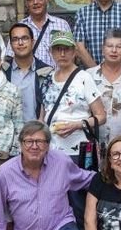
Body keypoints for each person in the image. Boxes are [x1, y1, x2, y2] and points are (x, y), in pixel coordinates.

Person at [40, 30, 107, 161]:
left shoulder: (84, 78)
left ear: (74, 52)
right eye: (58, 49)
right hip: (52, 149)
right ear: (51, 53)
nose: (62, 54)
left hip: (79, 148)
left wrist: (77, 125)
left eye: (67, 49)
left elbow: (101, 117)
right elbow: (42, 116)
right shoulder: (47, 79)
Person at [89, 28, 121, 143]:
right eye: (109, 46)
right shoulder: (89, 76)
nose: (114, 50)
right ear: (102, 49)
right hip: (95, 145)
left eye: (119, 47)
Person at [5, 22, 52, 121]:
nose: (20, 43)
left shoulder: (46, 72)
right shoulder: (3, 71)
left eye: (25, 38)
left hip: (37, 132)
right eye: (15, 39)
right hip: (9, 133)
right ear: (10, 44)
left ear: (32, 42)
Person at [22, 0, 70, 69]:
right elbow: (10, 57)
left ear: (46, 0)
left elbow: (71, 54)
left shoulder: (61, 25)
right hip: (30, 78)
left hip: (56, 78)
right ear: (27, 4)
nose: (35, 2)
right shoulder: (21, 27)